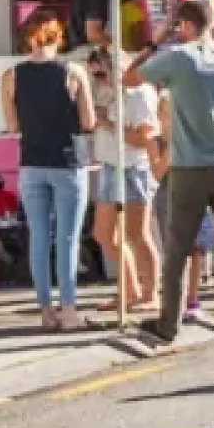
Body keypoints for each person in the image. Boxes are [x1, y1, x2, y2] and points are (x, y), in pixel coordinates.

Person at [130, 0, 214, 344]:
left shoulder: (178, 57)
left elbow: (128, 78)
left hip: (189, 165)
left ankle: (168, 325)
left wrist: (154, 42)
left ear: (185, 25)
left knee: (177, 250)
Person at [2, 8, 98, 331]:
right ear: (57, 37)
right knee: (68, 238)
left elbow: (13, 125)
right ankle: (69, 309)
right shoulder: (73, 71)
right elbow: (88, 122)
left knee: (39, 237)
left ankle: (45, 310)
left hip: (31, 163)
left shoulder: (11, 76)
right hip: (68, 162)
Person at [86, 47, 160, 315]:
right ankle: (129, 291)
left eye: (103, 74)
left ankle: (150, 293)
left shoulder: (139, 94)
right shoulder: (111, 93)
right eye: (96, 76)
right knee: (104, 233)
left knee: (137, 233)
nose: (101, 81)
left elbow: (145, 139)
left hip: (133, 167)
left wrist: (106, 122)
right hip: (109, 164)